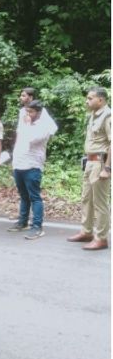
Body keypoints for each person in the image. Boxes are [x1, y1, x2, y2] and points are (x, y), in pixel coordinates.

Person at [6, 100, 58, 240]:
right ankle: (22, 222)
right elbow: (19, 140)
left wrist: (27, 123)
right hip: (19, 163)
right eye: (27, 111)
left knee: (34, 197)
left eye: (31, 112)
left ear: (39, 112)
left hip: (33, 165)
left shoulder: (43, 126)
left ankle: (37, 227)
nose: (28, 114)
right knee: (23, 195)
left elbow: (31, 139)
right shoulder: (24, 122)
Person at [67, 87, 111, 250]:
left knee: (100, 203)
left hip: (100, 163)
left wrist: (107, 168)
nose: (87, 101)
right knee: (86, 199)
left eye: (90, 98)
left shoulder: (108, 115)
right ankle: (87, 232)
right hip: (90, 162)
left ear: (100, 99)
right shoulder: (93, 115)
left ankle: (101, 238)